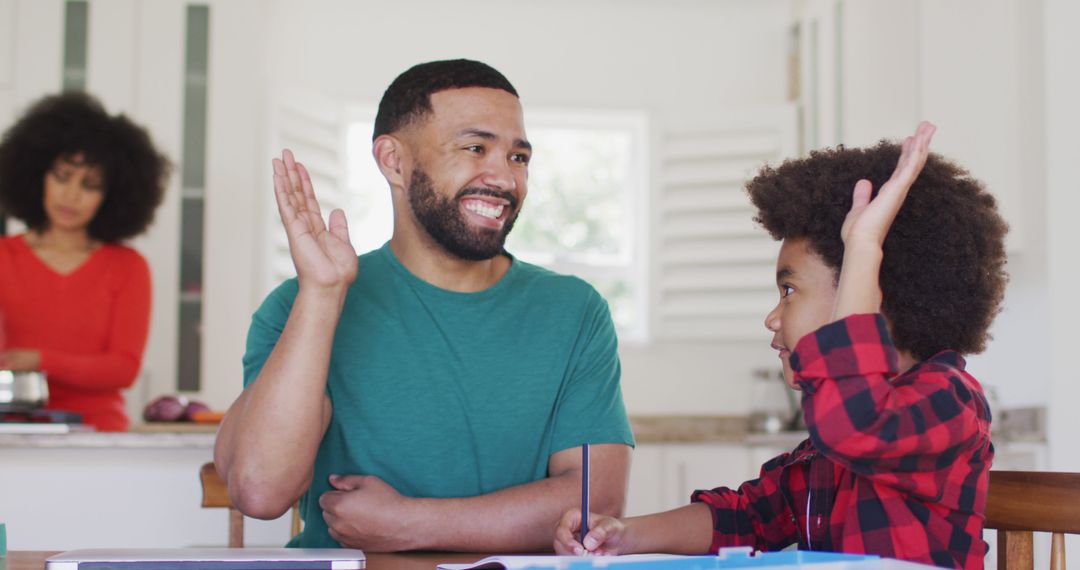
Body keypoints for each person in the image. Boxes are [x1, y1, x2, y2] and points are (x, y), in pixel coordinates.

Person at [214, 59, 635, 552]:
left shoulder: (574, 311)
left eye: (518, 158)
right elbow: (259, 490)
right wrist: (323, 296)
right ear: (393, 160)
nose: (504, 178)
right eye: (475, 148)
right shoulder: (304, 303)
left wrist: (408, 524)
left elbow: (594, 502)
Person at [554, 122, 1007, 570]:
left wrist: (864, 247)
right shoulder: (826, 450)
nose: (772, 317)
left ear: (869, 292)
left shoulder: (950, 400)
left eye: (788, 291)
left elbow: (858, 424)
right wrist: (626, 534)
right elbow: (747, 517)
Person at [0, 91, 170, 431]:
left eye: (89, 185)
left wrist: (39, 360)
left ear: (111, 196)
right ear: (37, 177)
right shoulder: (5, 256)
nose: (71, 195)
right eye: (62, 177)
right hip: (13, 433)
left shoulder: (128, 267)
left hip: (100, 435)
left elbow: (123, 369)